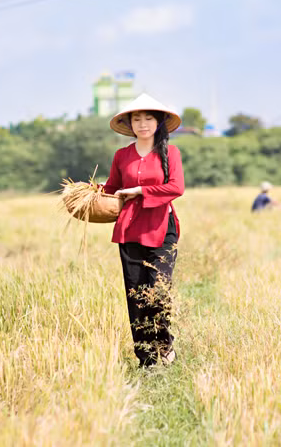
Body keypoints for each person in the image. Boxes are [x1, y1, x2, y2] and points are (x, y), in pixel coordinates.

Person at [102, 93, 185, 368]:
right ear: (130, 124)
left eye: (148, 118)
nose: (142, 123)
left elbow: (176, 187)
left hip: (162, 228)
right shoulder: (121, 156)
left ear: (159, 122)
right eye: (136, 119)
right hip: (129, 230)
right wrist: (87, 193)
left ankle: (164, 344)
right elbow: (112, 188)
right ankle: (146, 359)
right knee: (136, 294)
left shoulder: (170, 152)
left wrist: (140, 190)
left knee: (158, 290)